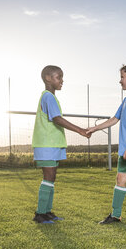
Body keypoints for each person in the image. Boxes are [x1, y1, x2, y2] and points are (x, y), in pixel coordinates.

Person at [87, 62, 126, 227]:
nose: (120, 81)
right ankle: (115, 215)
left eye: (122, 77)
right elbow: (114, 119)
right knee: (120, 178)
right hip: (125, 150)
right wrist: (95, 127)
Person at [32, 65, 91, 224]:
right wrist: (80, 130)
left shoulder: (51, 97)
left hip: (52, 145)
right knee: (48, 177)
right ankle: (39, 214)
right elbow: (56, 119)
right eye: (59, 77)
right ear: (48, 78)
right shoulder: (48, 97)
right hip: (46, 145)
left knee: (51, 178)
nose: (62, 81)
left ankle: (47, 212)